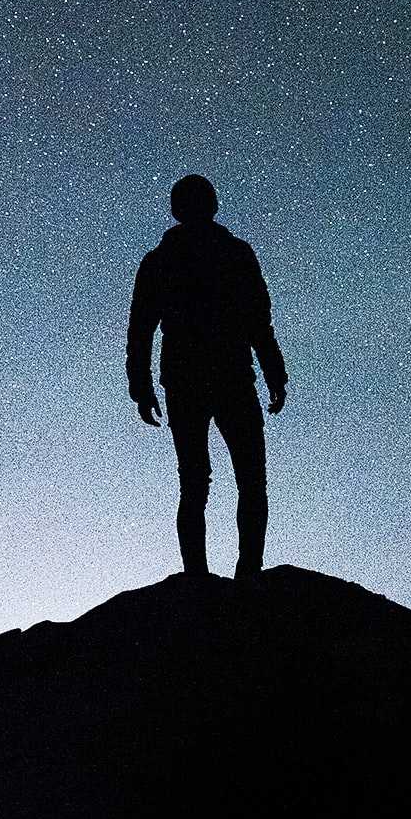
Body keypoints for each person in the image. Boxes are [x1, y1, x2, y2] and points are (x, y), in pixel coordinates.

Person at [126, 175, 288, 580]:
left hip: (197, 379)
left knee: (203, 481)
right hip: (219, 377)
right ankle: (239, 572)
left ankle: (211, 574)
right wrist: (273, 371)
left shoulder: (164, 261)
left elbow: (141, 329)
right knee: (240, 479)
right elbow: (258, 322)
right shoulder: (232, 255)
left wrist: (141, 385)